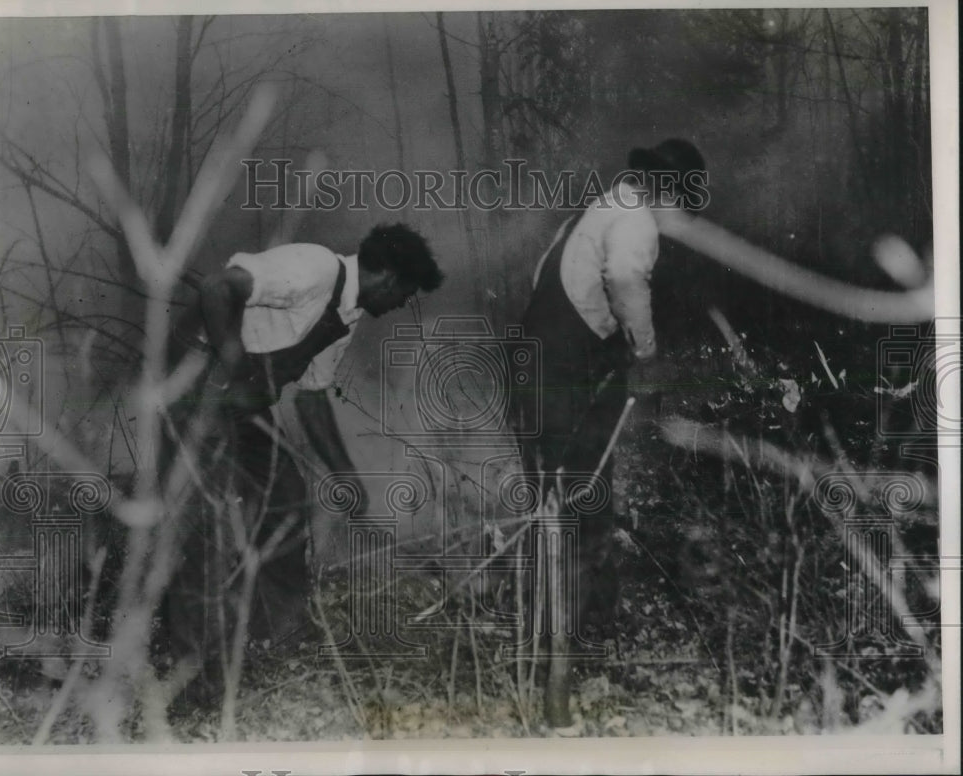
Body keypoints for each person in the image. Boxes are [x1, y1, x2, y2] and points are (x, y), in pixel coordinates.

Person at [166, 223, 444, 700]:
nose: (401, 304)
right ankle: (194, 677)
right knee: (207, 526)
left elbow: (312, 400)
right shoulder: (312, 268)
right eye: (406, 293)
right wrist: (235, 363)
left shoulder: (347, 315)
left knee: (288, 504)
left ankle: (279, 634)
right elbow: (218, 287)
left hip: (241, 407)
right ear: (390, 278)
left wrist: (345, 476)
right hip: (194, 392)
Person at [509, 138, 706, 726]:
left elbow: (544, 275)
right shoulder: (636, 218)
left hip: (538, 362)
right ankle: (570, 647)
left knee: (557, 501)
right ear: (666, 188)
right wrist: (645, 355)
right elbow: (623, 277)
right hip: (564, 371)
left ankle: (560, 634)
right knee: (579, 501)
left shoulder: (599, 207)